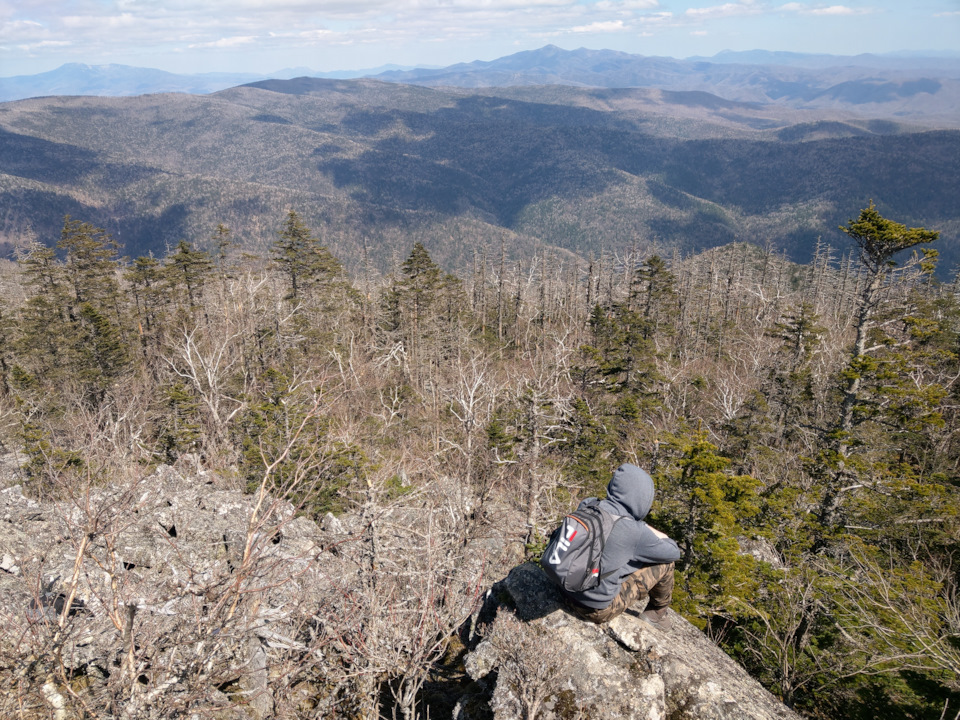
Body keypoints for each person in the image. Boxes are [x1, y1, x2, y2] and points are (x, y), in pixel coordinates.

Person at [562, 463, 681, 629]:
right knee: (666, 564)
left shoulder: (588, 505)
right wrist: (646, 527)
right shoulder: (634, 531)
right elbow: (673, 551)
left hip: (562, 586)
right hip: (594, 608)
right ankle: (656, 614)